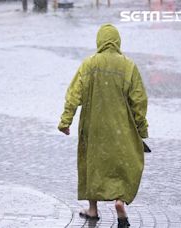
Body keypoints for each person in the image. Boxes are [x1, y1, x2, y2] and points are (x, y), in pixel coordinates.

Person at [58, 24, 148, 228]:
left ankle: (93, 209)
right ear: (117, 42)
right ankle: (119, 201)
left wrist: (66, 121)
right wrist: (141, 129)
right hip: (121, 128)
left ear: (99, 41)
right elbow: (139, 101)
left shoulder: (88, 65)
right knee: (121, 165)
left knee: (93, 166)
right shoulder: (128, 66)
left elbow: (73, 95)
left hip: (93, 128)